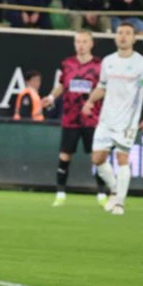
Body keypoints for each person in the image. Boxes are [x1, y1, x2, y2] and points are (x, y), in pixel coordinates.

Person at [82, 23, 143, 216]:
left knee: (122, 158)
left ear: (134, 38)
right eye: (120, 33)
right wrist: (90, 101)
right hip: (106, 119)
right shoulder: (108, 61)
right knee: (97, 159)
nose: (123, 36)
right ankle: (115, 190)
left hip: (127, 120)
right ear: (115, 37)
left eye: (128, 33)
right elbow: (102, 86)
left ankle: (119, 204)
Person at [40, 31, 107, 206]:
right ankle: (60, 193)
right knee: (65, 156)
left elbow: (105, 89)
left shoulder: (100, 65)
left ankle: (102, 194)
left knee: (97, 157)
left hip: (92, 118)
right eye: (78, 42)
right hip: (70, 118)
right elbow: (62, 85)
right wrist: (51, 97)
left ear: (91, 43)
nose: (81, 45)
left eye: (84, 41)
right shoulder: (67, 64)